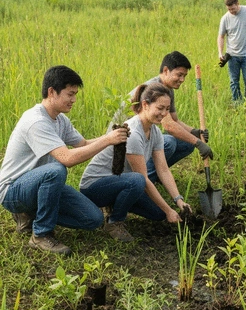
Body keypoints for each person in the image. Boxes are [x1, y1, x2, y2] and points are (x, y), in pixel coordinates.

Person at [0, 65, 130, 255]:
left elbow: (83, 143)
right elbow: (67, 158)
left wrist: (113, 137)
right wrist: (107, 140)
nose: (74, 100)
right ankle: (41, 234)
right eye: (70, 94)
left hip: (42, 185)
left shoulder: (60, 120)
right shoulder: (36, 121)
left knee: (92, 219)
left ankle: (31, 214)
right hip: (13, 190)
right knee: (57, 170)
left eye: (75, 94)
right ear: (52, 92)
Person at [81, 83, 190, 242]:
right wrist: (169, 210)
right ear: (145, 104)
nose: (164, 113)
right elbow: (143, 179)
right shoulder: (133, 132)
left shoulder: (155, 132)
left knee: (158, 214)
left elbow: (163, 170)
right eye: (160, 108)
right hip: (94, 186)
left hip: (119, 182)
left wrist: (178, 200)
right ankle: (114, 222)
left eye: (167, 109)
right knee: (137, 180)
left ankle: (115, 203)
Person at [109, 51, 213, 182]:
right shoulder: (154, 89)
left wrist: (194, 132)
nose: (182, 80)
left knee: (187, 143)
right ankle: (146, 179)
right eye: (179, 75)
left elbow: (174, 120)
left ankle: (156, 175)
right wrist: (198, 143)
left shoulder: (167, 90)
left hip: (142, 139)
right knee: (169, 142)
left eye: (185, 76)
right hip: (123, 145)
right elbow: (169, 126)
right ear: (166, 70)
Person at [217, 0, 246, 102]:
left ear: (238, 3)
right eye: (229, 9)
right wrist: (220, 53)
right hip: (232, 56)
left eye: (233, 9)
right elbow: (221, 36)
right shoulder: (225, 18)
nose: (232, 11)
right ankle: (236, 102)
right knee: (233, 81)